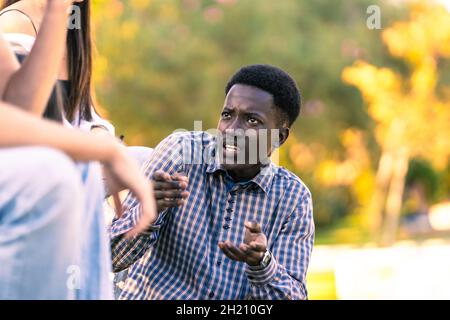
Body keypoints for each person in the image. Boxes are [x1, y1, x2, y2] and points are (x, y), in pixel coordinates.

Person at [110, 64, 315, 300]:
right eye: (227, 115)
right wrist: (149, 212)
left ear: (279, 137)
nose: (231, 129)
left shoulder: (293, 198)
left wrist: (262, 264)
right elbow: (111, 257)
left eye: (252, 121)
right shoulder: (181, 153)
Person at [0, 1, 158, 299]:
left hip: (44, 146)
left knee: (148, 161)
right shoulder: (13, 23)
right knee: (54, 172)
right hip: (33, 159)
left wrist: (56, 12)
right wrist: (99, 149)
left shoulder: (70, 26)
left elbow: (22, 106)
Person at [0, 0, 114, 133]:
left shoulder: (72, 19)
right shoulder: (14, 24)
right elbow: (20, 118)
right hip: (41, 147)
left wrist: (99, 130)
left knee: (142, 153)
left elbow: (82, 112)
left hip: (70, 147)